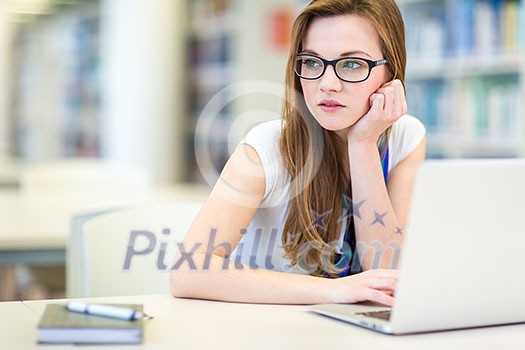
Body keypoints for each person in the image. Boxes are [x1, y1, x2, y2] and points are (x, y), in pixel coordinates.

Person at [170, 0, 426, 306]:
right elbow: (186, 271)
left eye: (352, 64)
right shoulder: (266, 147)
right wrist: (333, 291)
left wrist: (362, 145)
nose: (327, 85)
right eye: (312, 62)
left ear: (391, 71)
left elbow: (389, 275)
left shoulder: (406, 138)